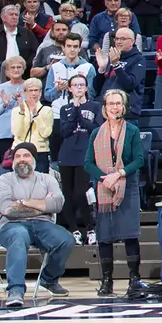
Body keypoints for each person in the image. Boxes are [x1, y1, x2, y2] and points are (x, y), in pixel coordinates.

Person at [0, 143, 73, 307]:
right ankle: (15, 291)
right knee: (19, 235)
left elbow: (57, 204)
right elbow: (8, 210)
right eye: (17, 157)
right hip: (8, 226)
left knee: (66, 239)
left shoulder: (47, 179)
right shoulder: (4, 180)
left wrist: (23, 203)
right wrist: (42, 206)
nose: (21, 160)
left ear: (33, 159)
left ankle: (48, 279)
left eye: (26, 156)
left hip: (42, 225)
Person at [85, 88, 150, 297]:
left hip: (127, 186)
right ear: (105, 108)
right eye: (111, 103)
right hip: (104, 188)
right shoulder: (97, 133)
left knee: (130, 235)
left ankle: (134, 279)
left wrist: (119, 174)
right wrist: (105, 178)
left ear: (124, 106)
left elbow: (139, 160)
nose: (115, 107)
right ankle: (107, 281)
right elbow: (88, 163)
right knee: (105, 237)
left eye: (118, 103)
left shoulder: (131, 130)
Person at [50, 73, 99, 239]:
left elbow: (95, 128)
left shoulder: (95, 106)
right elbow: (65, 131)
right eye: (75, 85)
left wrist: (79, 112)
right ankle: (73, 229)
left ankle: (91, 228)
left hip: (85, 152)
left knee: (81, 192)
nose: (78, 88)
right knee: (68, 194)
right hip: (67, 152)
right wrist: (75, 111)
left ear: (86, 87)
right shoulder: (65, 109)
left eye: (81, 85)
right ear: (70, 89)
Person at [10, 78, 54, 171]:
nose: (33, 93)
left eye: (36, 90)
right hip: (20, 151)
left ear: (40, 92)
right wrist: (22, 112)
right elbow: (16, 132)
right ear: (24, 92)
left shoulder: (47, 110)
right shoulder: (16, 111)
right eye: (30, 90)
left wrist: (36, 115)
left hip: (40, 152)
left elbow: (46, 134)